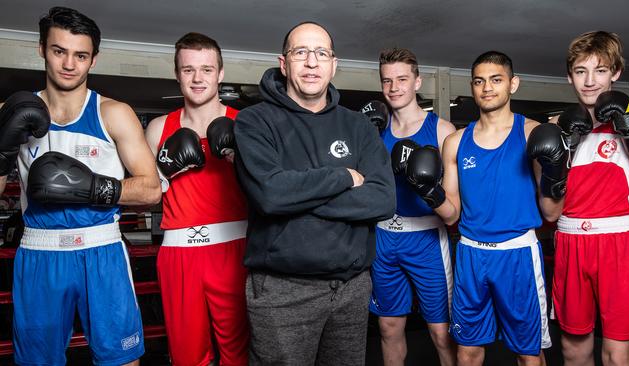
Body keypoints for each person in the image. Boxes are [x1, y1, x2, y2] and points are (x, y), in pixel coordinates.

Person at [0, 6, 160, 365]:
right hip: (39, 253)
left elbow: (151, 190)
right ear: (42, 49)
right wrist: (2, 151)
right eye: (59, 51)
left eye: (81, 55)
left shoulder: (113, 113)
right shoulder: (12, 113)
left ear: (93, 59)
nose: (69, 64)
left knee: (122, 360)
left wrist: (93, 188)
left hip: (101, 251)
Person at [233, 21, 396, 365]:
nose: (311, 62)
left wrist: (298, 194)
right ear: (284, 62)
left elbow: (382, 199)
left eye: (321, 53)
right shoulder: (254, 122)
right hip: (283, 291)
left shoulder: (359, 127)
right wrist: (341, 177)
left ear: (334, 65)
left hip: (351, 288)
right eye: (301, 52)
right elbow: (271, 196)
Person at [432, 51, 568, 366]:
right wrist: (429, 191)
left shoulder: (533, 134)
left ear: (513, 84)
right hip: (470, 254)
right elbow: (451, 213)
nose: (487, 88)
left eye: (496, 80)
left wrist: (556, 176)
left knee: (528, 352)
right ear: (472, 87)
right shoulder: (455, 142)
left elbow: (551, 213)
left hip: (517, 254)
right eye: (479, 81)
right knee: (467, 351)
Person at [144, 32, 249, 366]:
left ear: (220, 73)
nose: (198, 78)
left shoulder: (246, 124)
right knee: (187, 356)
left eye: (206, 69)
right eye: (188, 70)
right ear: (177, 75)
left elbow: (274, 191)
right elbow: (145, 198)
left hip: (235, 250)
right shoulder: (159, 128)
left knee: (240, 352)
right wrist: (164, 172)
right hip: (178, 255)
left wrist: (239, 160)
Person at [549, 31, 629, 366]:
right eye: (581, 71)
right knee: (573, 350)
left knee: (618, 353)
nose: (590, 81)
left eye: (600, 70)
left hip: (620, 241)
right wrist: (557, 162)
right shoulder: (558, 127)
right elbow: (549, 212)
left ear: (616, 72)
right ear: (569, 76)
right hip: (571, 239)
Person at [368, 47, 456, 366]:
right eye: (387, 80)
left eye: (402, 79)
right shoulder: (374, 133)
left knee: (441, 332)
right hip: (383, 238)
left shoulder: (443, 131)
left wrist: (427, 186)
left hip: (427, 241)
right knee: (389, 327)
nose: (394, 88)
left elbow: (454, 204)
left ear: (417, 82)